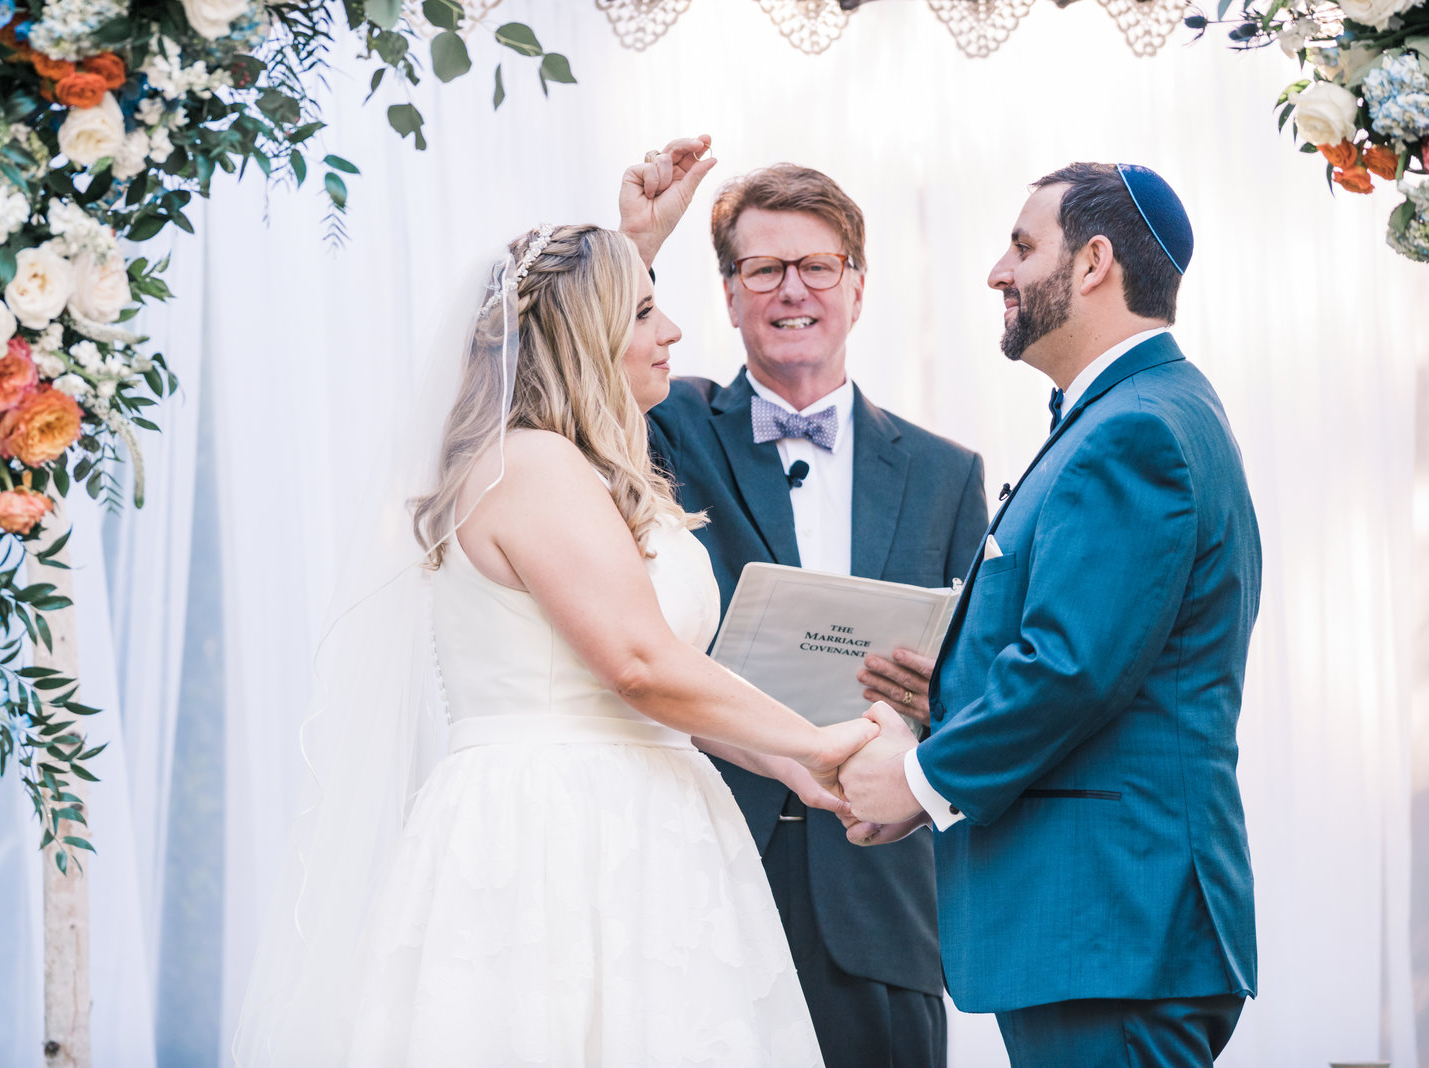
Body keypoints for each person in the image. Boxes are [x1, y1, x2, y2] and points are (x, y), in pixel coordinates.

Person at [236, 217, 890, 1066]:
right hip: (554, 834)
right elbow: (637, 666)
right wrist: (819, 735)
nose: (673, 334)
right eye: (645, 313)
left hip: (643, 816)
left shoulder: (578, 470)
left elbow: (657, 688)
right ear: (587, 333)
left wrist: (788, 766)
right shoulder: (530, 465)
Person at [837, 163, 1261, 1067]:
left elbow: (1071, 667)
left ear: (1096, 260)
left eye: (1025, 247)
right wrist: (946, 689)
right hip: (1108, 931)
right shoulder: (1137, 412)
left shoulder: (1133, 431)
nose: (999, 271)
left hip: (1112, 925)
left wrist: (917, 781)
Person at [622, 144, 988, 1068]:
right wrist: (635, 248)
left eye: (818, 267)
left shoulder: (948, 475)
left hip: (881, 883)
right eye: (765, 269)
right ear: (730, 294)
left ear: (858, 289)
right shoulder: (661, 425)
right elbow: (571, 369)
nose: (794, 291)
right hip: (701, 857)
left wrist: (928, 696)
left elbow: (979, 678)